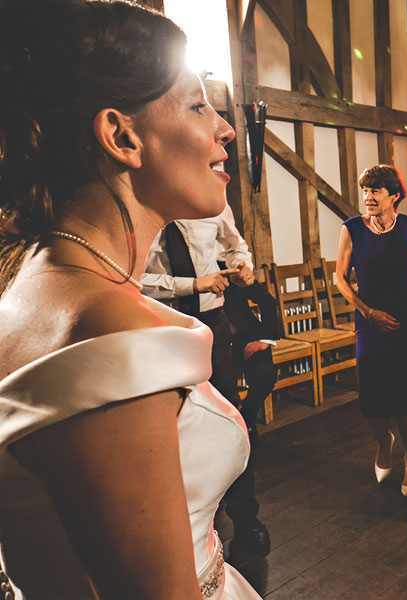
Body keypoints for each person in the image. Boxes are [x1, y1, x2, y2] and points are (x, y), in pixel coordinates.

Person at [0, 1, 262, 597]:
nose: (224, 127)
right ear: (122, 135)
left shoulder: (27, 283)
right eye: (197, 105)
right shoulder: (109, 334)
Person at [141, 205, 271, 564]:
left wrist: (242, 263)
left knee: (229, 420)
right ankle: (187, 528)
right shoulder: (140, 202)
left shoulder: (211, 202)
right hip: (160, 324)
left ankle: (246, 520)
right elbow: (129, 277)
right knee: (171, 430)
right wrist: (191, 284)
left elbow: (234, 243)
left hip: (213, 322)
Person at [334, 165, 407, 496]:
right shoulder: (352, 229)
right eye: (365, 190)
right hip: (370, 321)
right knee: (373, 397)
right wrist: (367, 312)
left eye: (375, 191)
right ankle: (383, 443)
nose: (368, 197)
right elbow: (340, 277)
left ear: (394, 196)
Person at [223, 279, 279, 443]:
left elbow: (268, 301)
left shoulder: (231, 270)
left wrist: (265, 339)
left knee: (265, 375)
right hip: (209, 339)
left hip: (244, 336)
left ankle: (246, 419)